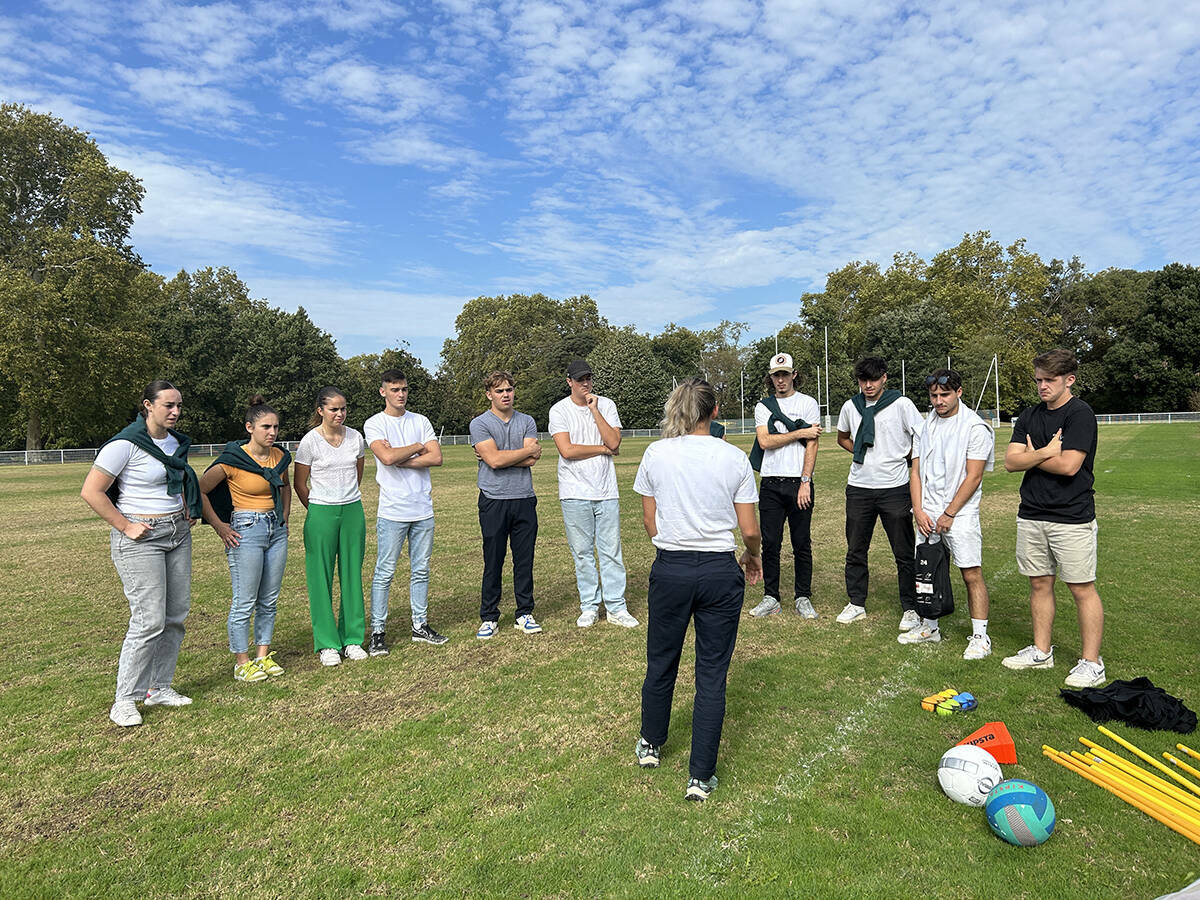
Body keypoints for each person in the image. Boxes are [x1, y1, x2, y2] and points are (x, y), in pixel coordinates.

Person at [632, 378, 762, 802]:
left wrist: (672, 547)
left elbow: (649, 520)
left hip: (671, 567)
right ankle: (700, 775)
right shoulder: (733, 457)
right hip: (719, 571)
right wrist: (753, 556)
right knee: (711, 674)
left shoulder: (656, 453)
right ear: (715, 411)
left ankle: (651, 743)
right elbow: (749, 530)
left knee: (661, 661)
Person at [81, 381, 202, 727]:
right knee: (149, 619)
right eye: (168, 405)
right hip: (141, 537)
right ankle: (124, 700)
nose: (175, 412)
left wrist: (185, 506)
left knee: (175, 615)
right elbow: (91, 491)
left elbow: (175, 480)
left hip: (177, 532)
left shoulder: (176, 443)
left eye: (179, 405)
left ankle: (159, 687)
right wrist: (126, 526)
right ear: (148, 406)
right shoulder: (124, 444)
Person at [1002, 349, 1106, 688]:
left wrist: (1033, 455)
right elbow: (1010, 462)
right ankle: (1041, 652)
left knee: (1081, 588)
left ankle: (1092, 663)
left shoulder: (1080, 414)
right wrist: (1047, 451)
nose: (1042, 386)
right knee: (1039, 583)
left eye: (1049, 380)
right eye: (1038, 380)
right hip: (1031, 514)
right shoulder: (1029, 415)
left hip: (1072, 516)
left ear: (1069, 380)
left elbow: (1069, 466)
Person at [199, 395, 292, 682]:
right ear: (249, 427)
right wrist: (220, 526)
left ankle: (262, 656)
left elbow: (285, 486)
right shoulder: (233, 460)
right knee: (244, 600)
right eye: (266, 427)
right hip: (246, 528)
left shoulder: (279, 457)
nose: (272, 432)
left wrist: (284, 517)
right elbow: (200, 491)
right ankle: (242, 663)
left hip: (276, 529)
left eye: (275, 427)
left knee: (269, 598)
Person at [904, 370, 994, 658]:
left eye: (945, 395)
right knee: (927, 571)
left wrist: (950, 513)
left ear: (959, 392)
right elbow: (915, 472)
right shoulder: (923, 427)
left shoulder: (975, 427)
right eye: (934, 396)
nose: (939, 401)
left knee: (971, 573)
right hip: (927, 513)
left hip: (960, 514)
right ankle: (930, 627)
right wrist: (918, 510)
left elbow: (974, 476)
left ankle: (980, 636)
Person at [835, 356, 924, 628]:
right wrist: (860, 452)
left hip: (894, 488)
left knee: (903, 551)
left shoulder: (901, 404)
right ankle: (856, 603)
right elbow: (842, 437)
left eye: (873, 379)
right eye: (863, 380)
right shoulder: (851, 406)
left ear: (884, 377)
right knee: (856, 549)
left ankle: (910, 607)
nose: (868, 385)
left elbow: (921, 436)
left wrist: (904, 457)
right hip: (859, 488)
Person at [548, 359, 637, 629]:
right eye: (579, 379)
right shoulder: (559, 410)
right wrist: (602, 450)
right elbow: (567, 450)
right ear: (569, 382)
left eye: (588, 378)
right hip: (574, 492)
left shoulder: (606, 405)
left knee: (611, 552)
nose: (585, 383)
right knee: (582, 553)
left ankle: (616, 607)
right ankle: (589, 606)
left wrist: (594, 410)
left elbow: (614, 441)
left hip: (606, 490)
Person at [364, 369, 446, 653]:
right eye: (395, 390)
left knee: (421, 570)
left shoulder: (420, 420)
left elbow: (437, 457)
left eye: (404, 389)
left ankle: (420, 625)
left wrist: (402, 457)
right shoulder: (374, 423)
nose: (401, 394)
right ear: (383, 392)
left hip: (422, 508)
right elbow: (386, 457)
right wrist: (417, 447)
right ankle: (378, 632)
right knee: (384, 572)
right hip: (392, 511)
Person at [294, 386, 369, 666]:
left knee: (352, 575)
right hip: (321, 512)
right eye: (334, 409)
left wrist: (345, 498)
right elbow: (300, 483)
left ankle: (352, 639)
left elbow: (357, 474)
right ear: (321, 410)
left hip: (352, 510)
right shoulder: (310, 441)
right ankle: (327, 644)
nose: (340, 413)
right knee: (320, 577)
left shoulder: (356, 438)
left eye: (343, 408)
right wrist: (317, 508)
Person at [748, 352, 823, 619]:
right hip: (771, 482)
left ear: (794, 375)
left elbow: (812, 445)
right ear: (771, 378)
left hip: (799, 482)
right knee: (771, 543)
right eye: (776, 375)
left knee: (801, 543)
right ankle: (771, 597)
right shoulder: (763, 406)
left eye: (785, 374)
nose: (780, 380)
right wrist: (800, 432)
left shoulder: (808, 403)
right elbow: (765, 442)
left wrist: (805, 481)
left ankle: (803, 597)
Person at [469, 371, 542, 639]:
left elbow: (531, 460)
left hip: (524, 498)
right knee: (493, 560)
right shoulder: (480, 423)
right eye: (499, 391)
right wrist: (523, 452)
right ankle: (489, 616)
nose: (505, 395)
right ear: (489, 394)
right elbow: (495, 461)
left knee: (524, 560)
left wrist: (500, 456)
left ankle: (524, 613)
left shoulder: (527, 420)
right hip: (493, 499)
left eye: (509, 389)